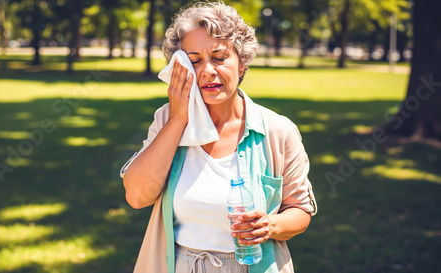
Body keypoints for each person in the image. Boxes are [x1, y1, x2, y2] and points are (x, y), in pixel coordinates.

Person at [120, 2, 317, 273]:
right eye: (195, 61)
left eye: (220, 57)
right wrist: (179, 119)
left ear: (242, 63)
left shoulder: (278, 131)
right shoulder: (167, 120)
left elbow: (300, 211)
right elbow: (137, 196)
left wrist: (271, 225)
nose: (207, 71)